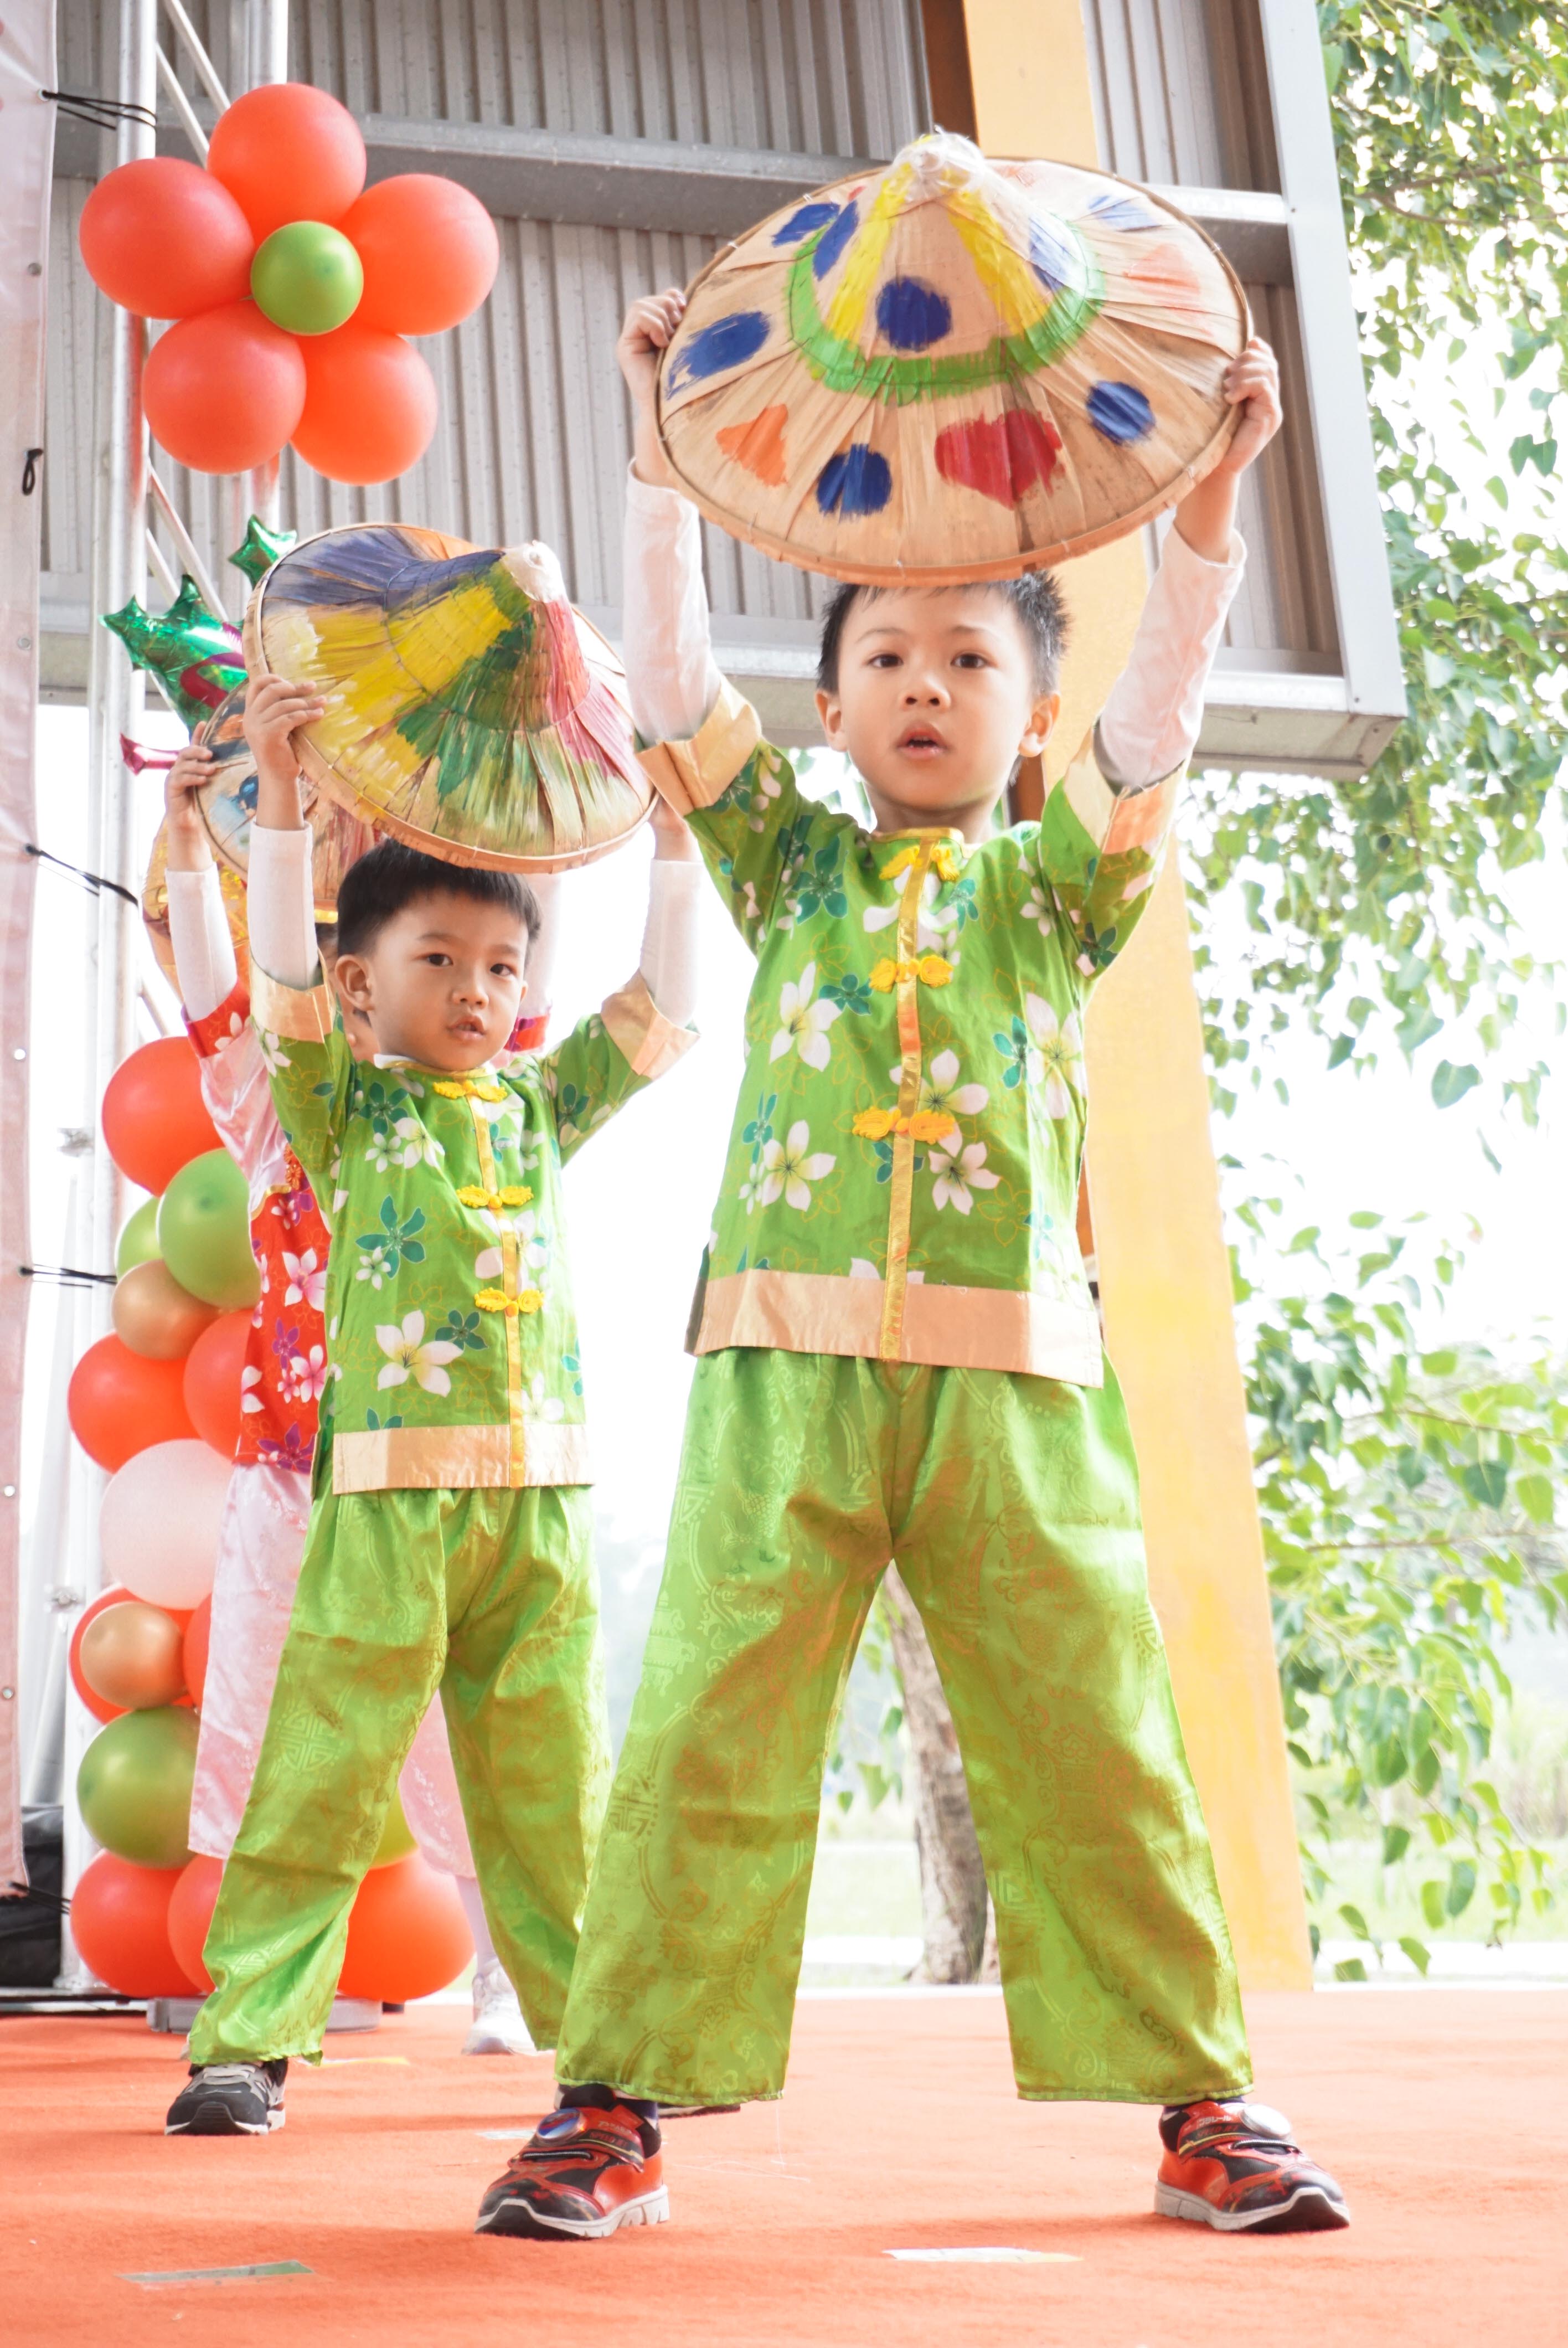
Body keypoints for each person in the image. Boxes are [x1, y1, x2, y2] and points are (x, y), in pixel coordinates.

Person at [474, 291, 1349, 2241]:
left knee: (1094, 1731)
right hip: (777, 1375)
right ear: (835, 711)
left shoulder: (1063, 886)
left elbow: (1158, 715)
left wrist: (1209, 509)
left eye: (970, 656)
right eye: (884, 654)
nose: (926, 682)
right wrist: (658, 455)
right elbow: (671, 685)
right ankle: (610, 2106)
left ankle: (1204, 2104)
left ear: (1033, 717)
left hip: (1016, 1381)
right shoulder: (788, 869)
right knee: (707, 1720)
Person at [164, 651, 703, 2136]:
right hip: (383, 1499)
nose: (477, 990)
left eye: (502, 969)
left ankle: (606, 2037)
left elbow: (663, 1007)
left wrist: (673, 841)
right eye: (440, 961)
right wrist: (280, 802)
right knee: (321, 1767)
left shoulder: (541, 1103)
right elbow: (275, 986)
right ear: (360, 983)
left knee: (556, 1783)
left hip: (538, 1504)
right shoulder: (338, 1107)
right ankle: (248, 2041)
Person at [160, 742, 553, 2059]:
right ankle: (253, 1997)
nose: (463, 987)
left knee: (460, 1733)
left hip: (428, 1473)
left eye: (475, 970)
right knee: (256, 1725)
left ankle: (508, 1972)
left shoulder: (475, 1114)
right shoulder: (277, 1115)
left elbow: (522, 952)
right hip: (292, 1471)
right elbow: (224, 995)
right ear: (348, 983)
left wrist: (530, 807)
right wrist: (195, 845)